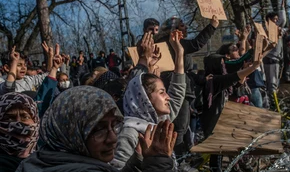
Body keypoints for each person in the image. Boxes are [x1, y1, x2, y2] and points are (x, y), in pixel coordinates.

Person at [16, 86, 177, 172]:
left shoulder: (38, 161)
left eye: (114, 125)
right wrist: (159, 163)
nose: (113, 138)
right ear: (70, 132)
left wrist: (136, 163)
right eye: (98, 129)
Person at [112, 30, 186, 169]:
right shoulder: (130, 133)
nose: (168, 97)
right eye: (162, 92)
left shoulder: (160, 122)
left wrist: (179, 53)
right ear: (145, 99)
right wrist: (139, 158)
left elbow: (178, 92)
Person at [154, 15, 220, 155]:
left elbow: (187, 72)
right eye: (182, 25)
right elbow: (197, 44)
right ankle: (176, 158)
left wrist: (200, 79)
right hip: (178, 91)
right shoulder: (171, 43)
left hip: (183, 90)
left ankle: (182, 156)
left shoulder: (170, 43)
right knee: (179, 128)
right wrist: (212, 26)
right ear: (174, 30)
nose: (187, 27)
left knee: (184, 127)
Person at [0, 92, 39, 172]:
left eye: (25, 117)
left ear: (35, 120)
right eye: (10, 118)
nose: (18, 123)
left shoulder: (45, 154)